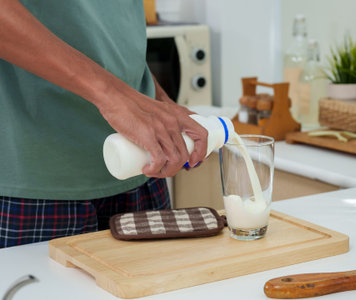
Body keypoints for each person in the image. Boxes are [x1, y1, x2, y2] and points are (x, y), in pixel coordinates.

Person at [0, 0, 208, 248]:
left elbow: (107, 27)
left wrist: (157, 99)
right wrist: (113, 96)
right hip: (35, 181)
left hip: (141, 165)